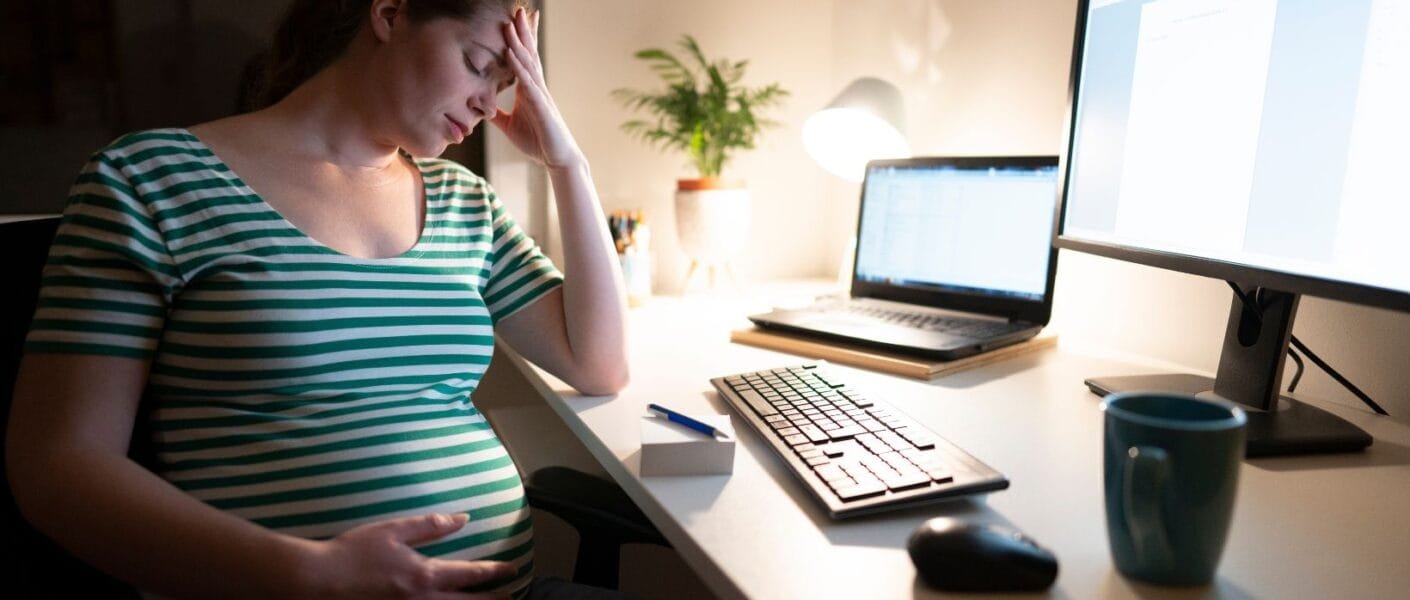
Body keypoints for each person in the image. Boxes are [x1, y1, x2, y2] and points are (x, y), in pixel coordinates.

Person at [5, 0, 629, 597]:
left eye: (506, 82)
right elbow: (59, 464)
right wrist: (309, 575)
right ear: (390, 14)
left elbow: (597, 363)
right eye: (478, 65)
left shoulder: (462, 200)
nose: (489, 103)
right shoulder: (149, 179)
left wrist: (566, 163)